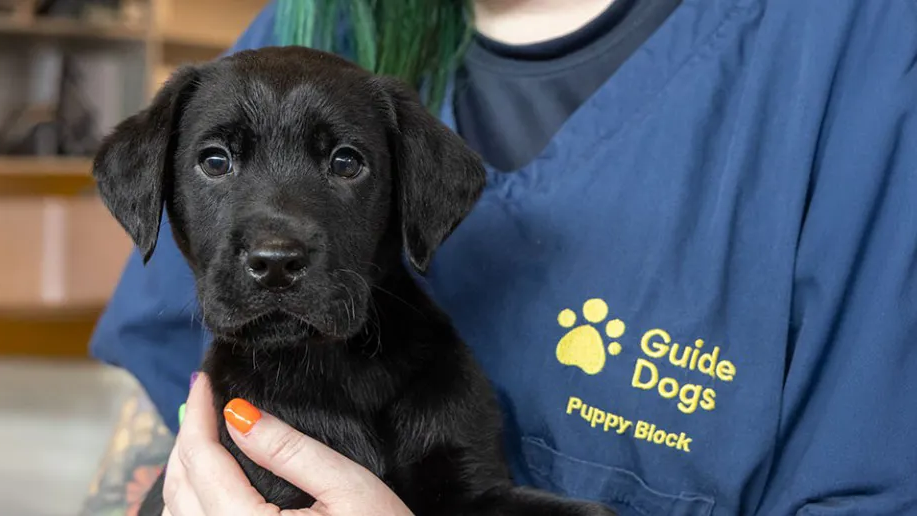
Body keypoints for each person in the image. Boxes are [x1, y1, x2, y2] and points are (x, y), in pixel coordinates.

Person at [80, 0, 917, 514]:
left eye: (344, 163)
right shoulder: (319, 20)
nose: (274, 232)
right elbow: (160, 396)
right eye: (220, 161)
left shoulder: (848, 50)